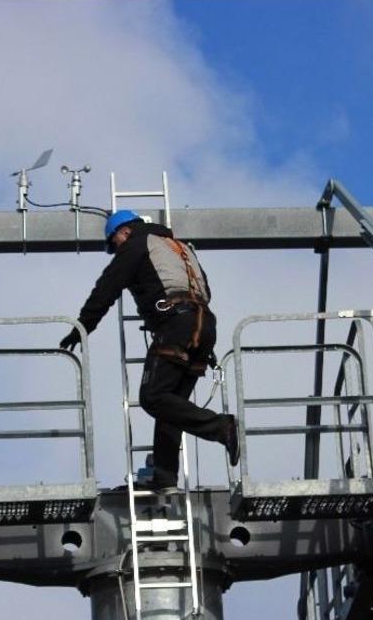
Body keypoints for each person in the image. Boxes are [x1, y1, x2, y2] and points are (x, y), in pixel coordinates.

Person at [60, 210, 240, 490]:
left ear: (123, 233)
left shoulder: (136, 244)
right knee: (171, 405)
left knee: (153, 397)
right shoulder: (179, 247)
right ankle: (164, 478)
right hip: (204, 327)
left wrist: (82, 327)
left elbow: (106, 288)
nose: (116, 249)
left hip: (176, 324)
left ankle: (221, 427)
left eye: (114, 243)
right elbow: (204, 290)